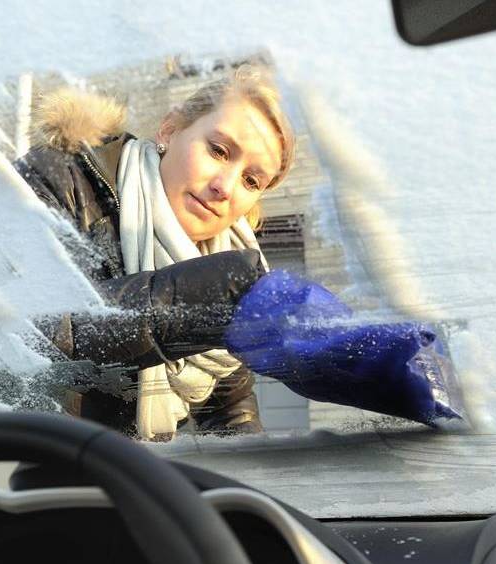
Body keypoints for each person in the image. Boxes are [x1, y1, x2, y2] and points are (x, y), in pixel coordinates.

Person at [15, 64, 296, 439]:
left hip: (128, 479)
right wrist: (192, 299)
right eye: (218, 150)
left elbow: (233, 411)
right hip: (24, 453)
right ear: (169, 130)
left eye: (251, 180)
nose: (225, 187)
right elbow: (30, 331)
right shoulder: (60, 176)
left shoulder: (229, 254)